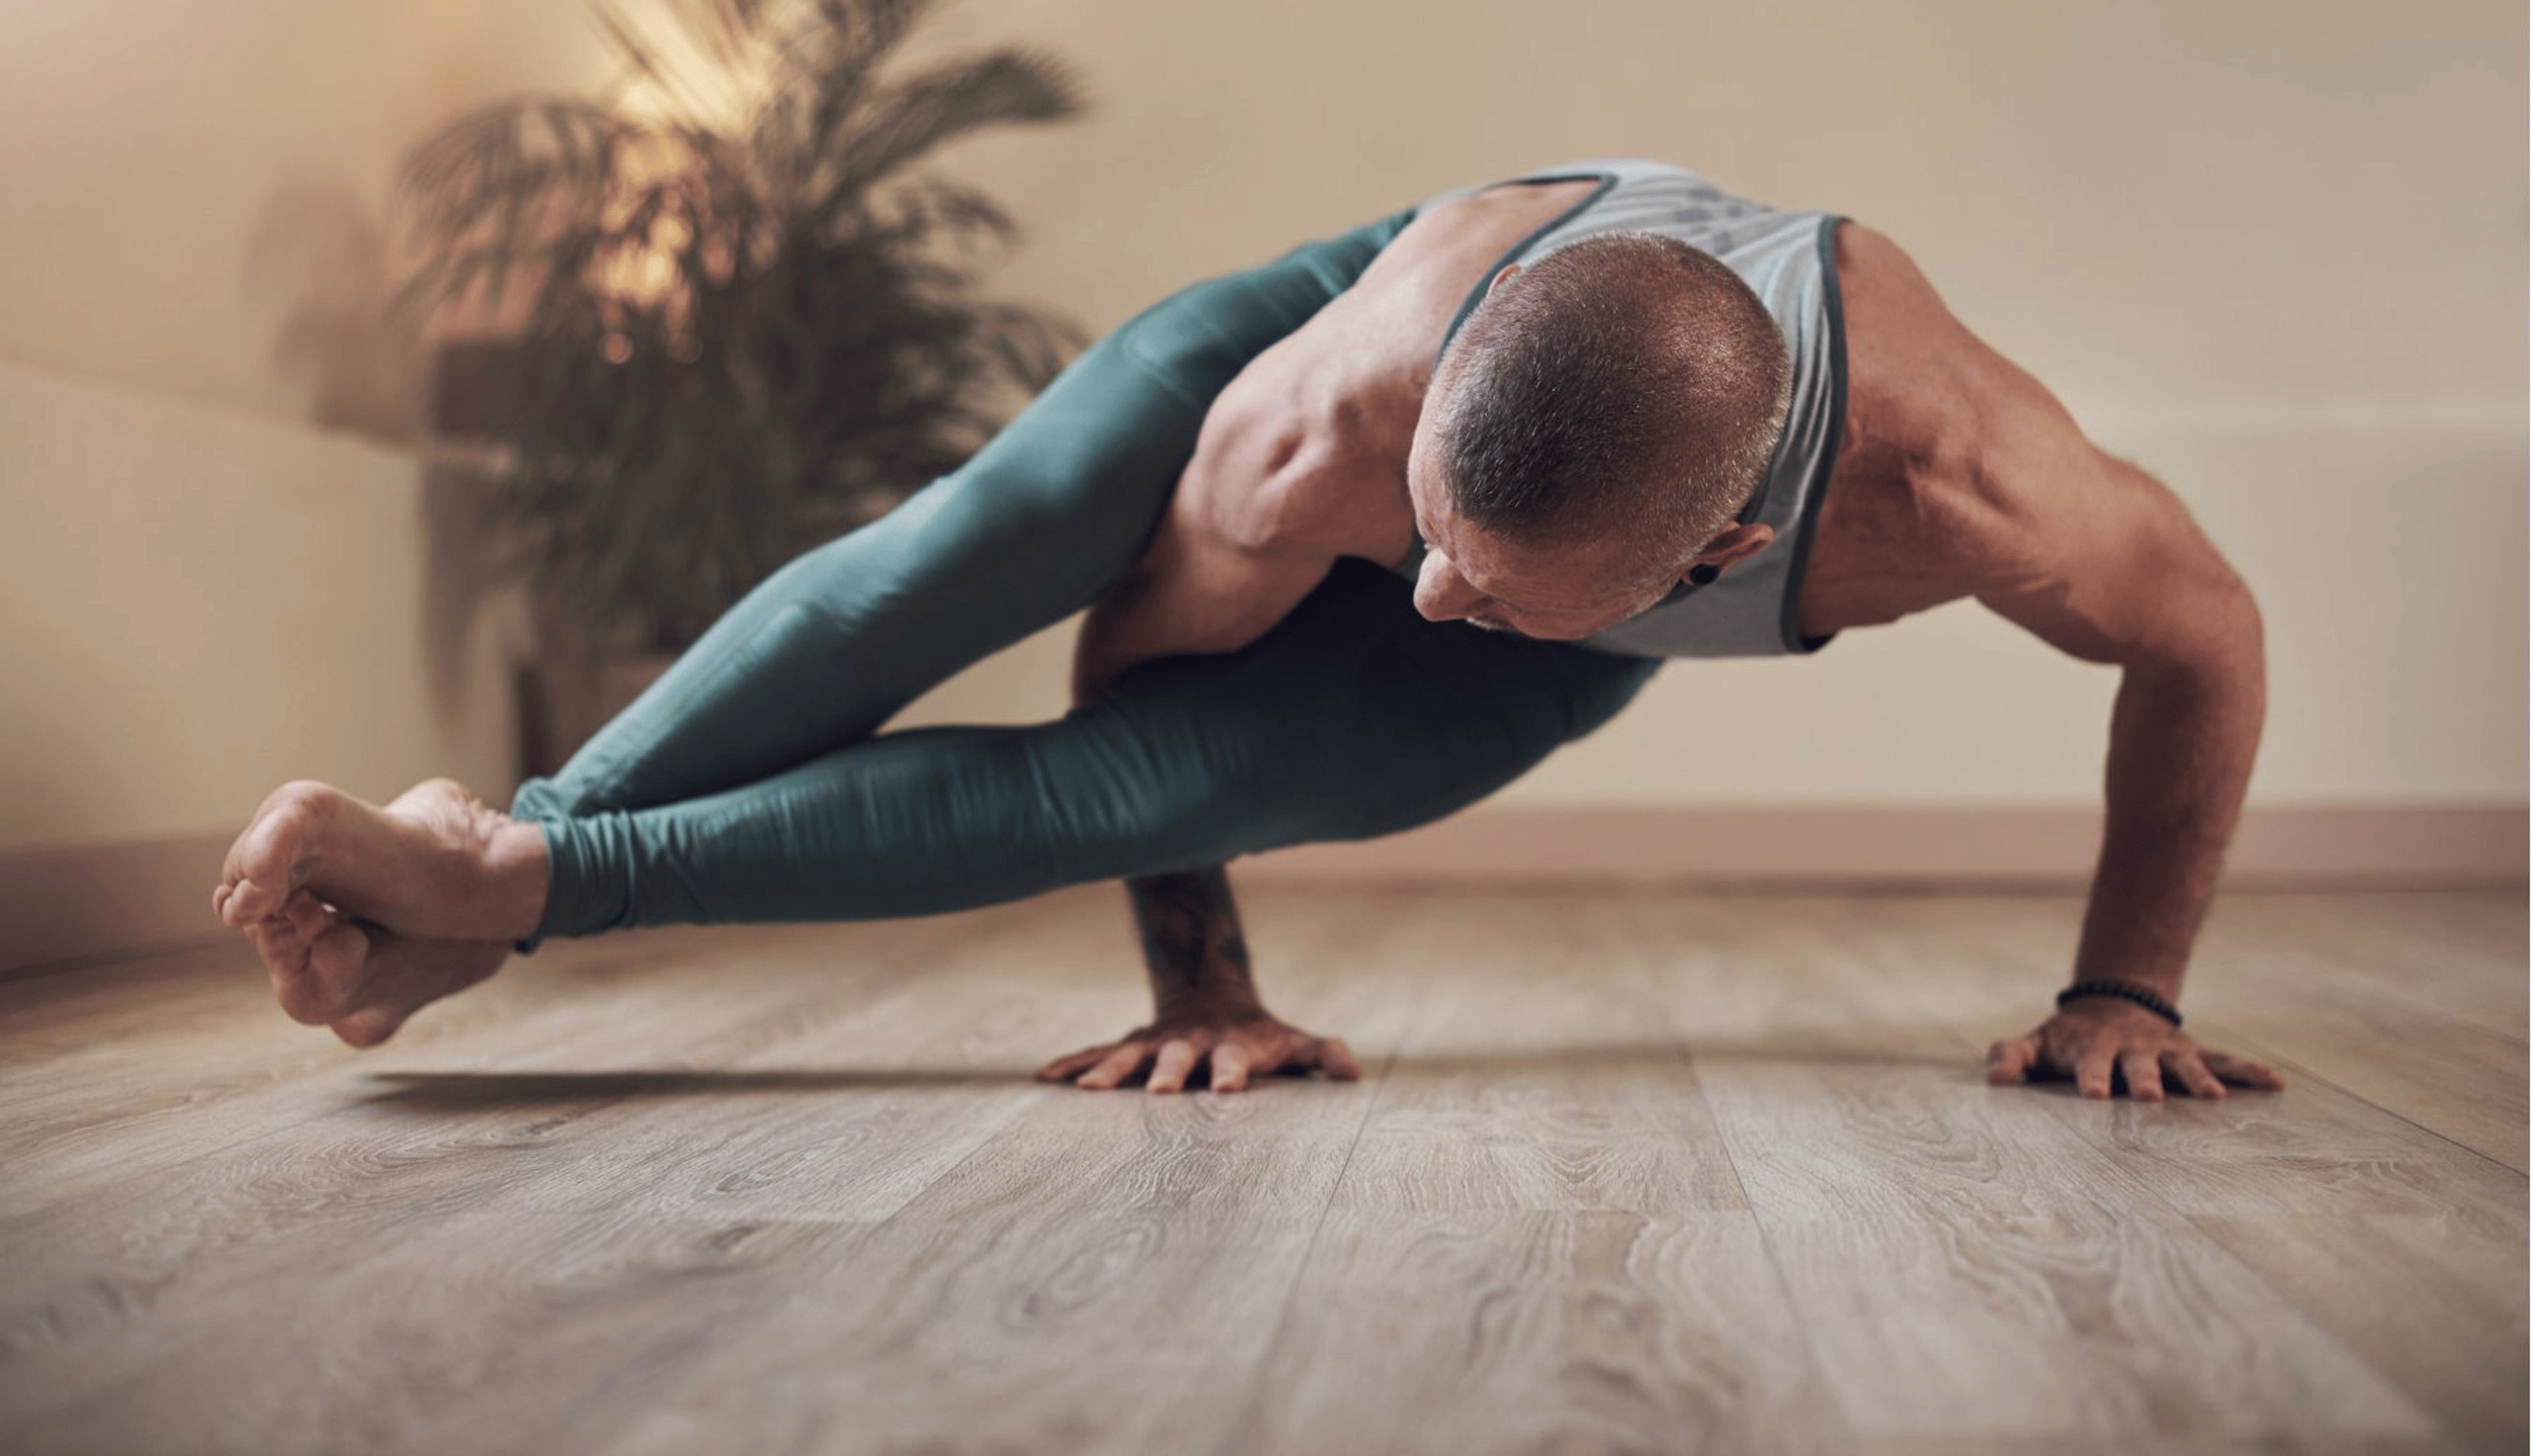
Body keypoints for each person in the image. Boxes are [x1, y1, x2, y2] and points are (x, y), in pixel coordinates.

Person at [214, 158, 2285, 1105]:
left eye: (1492, 580)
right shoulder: (1347, 406)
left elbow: (2211, 643)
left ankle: (497, 893)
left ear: (1723, 552)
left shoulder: (1986, 490)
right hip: (1278, 395)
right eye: (1439, 545)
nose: (1440, 597)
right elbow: (1141, 676)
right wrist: (1205, 978)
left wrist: (2127, 987)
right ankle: (505, 864)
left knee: (1165, 783)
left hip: (1558, 585)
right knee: (970, 547)